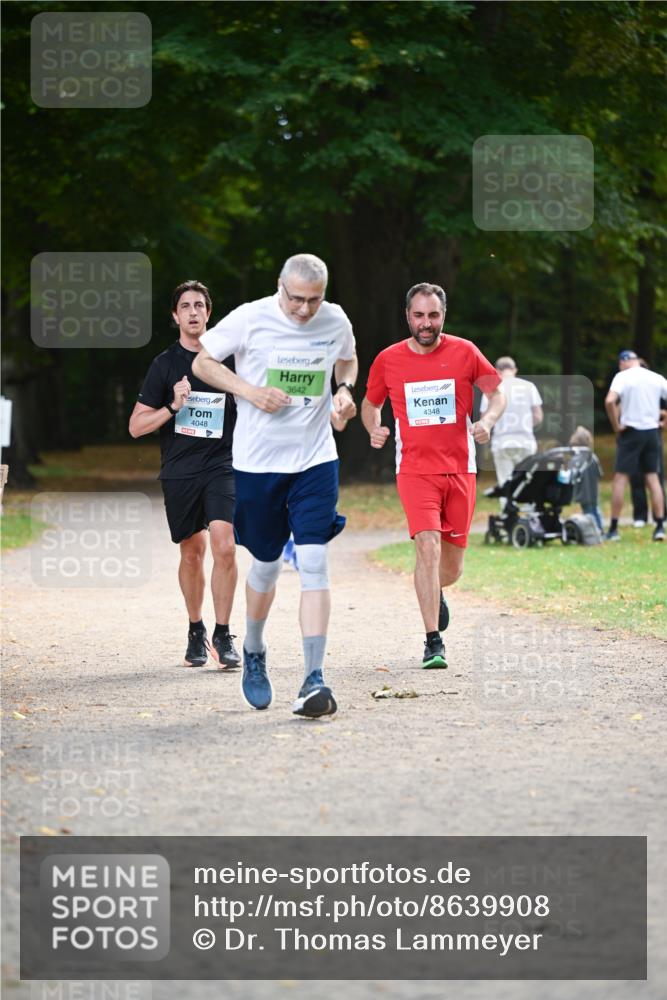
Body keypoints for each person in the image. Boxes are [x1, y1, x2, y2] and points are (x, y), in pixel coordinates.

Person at [192, 253, 358, 718]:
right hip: (258, 465)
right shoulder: (251, 317)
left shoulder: (335, 318)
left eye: (314, 300)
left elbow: (347, 360)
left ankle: (313, 679)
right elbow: (204, 363)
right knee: (264, 565)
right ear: (279, 287)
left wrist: (344, 393)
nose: (305, 310)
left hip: (315, 459)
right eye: (296, 299)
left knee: (313, 559)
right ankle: (255, 647)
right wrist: (250, 391)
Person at [361, 282, 505, 669]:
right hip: (415, 469)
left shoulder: (465, 351)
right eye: (419, 315)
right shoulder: (388, 359)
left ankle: (435, 591)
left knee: (451, 567)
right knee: (427, 544)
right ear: (407, 316)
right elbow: (370, 404)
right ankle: (432, 641)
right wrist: (373, 427)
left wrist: (488, 420)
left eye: (434, 315)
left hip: (461, 468)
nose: (426, 323)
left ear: (444, 316)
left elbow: (497, 393)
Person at [129, 280, 241, 669]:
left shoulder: (228, 360)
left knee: (225, 545)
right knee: (192, 554)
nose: (193, 312)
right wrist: (173, 407)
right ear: (175, 316)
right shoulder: (164, 365)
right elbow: (136, 426)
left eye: (199, 305)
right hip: (180, 470)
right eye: (185, 306)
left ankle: (224, 633)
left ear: (209, 313)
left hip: (223, 465)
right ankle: (196, 627)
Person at [604, 349, 667, 542]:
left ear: (624, 362)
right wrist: (664, 423)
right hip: (652, 432)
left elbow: (609, 401)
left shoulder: (622, 377)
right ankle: (659, 526)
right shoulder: (657, 378)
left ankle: (613, 528)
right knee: (653, 479)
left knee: (620, 479)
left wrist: (616, 425)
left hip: (630, 431)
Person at [481, 356, 543, 493]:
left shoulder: (491, 388)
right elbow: (538, 416)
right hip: (526, 441)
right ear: (514, 370)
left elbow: (484, 419)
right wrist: (524, 425)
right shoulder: (529, 386)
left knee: (505, 483)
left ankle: (507, 512)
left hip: (502, 442)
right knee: (527, 483)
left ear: (497, 370)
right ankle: (529, 512)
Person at [629, 358, 666, 527]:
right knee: (636, 476)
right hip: (633, 434)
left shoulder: (655, 385)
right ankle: (640, 516)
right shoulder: (629, 388)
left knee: (655, 476)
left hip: (651, 434)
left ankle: (661, 517)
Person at [569, 426, 603, 532]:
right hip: (594, 491)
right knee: (595, 510)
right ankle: (600, 529)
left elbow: (571, 476)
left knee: (588, 512)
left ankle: (595, 531)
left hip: (583, 492)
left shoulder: (575, 460)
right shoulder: (593, 458)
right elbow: (600, 474)